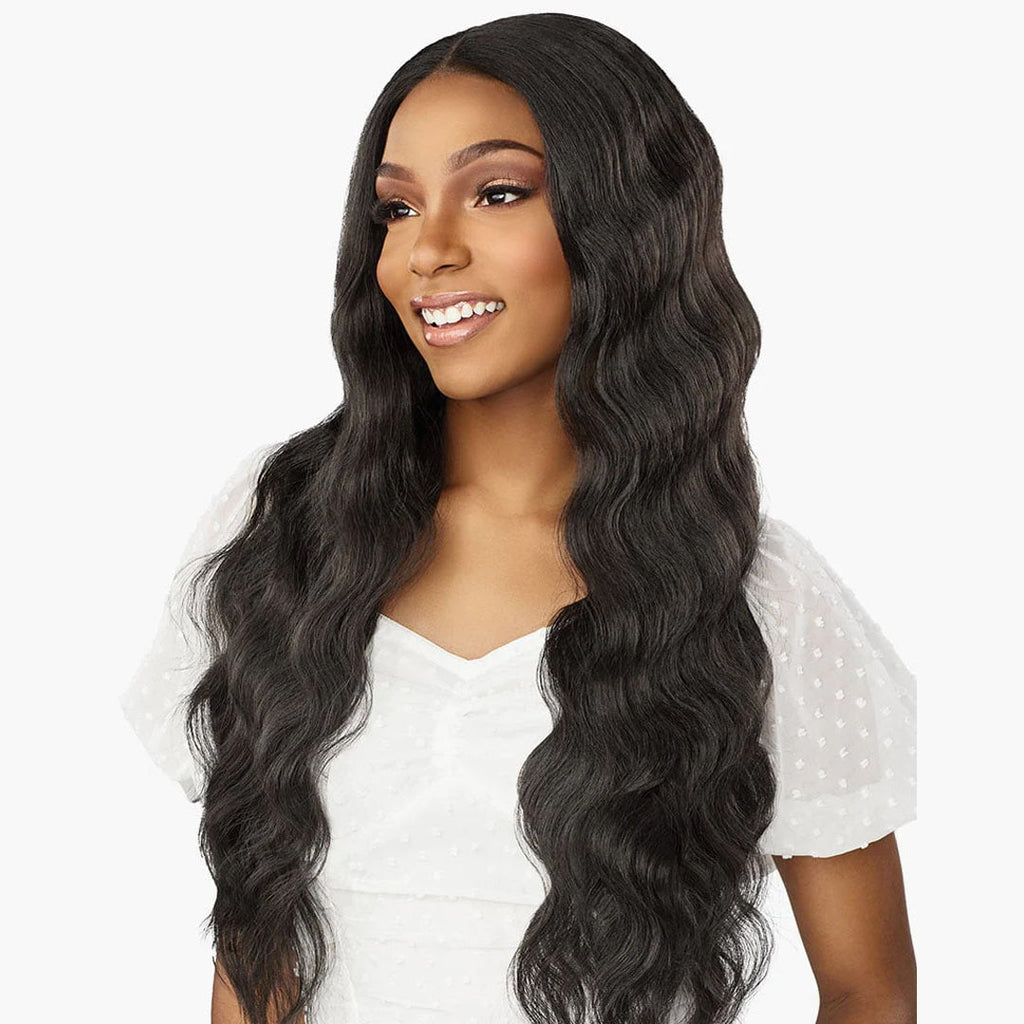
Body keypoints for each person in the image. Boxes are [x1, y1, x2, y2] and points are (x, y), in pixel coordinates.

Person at [119, 12, 917, 1024]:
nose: (427, 251)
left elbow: (867, 988)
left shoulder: (748, 593)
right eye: (396, 208)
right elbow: (258, 941)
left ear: (622, 221)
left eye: (497, 192)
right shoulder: (286, 532)